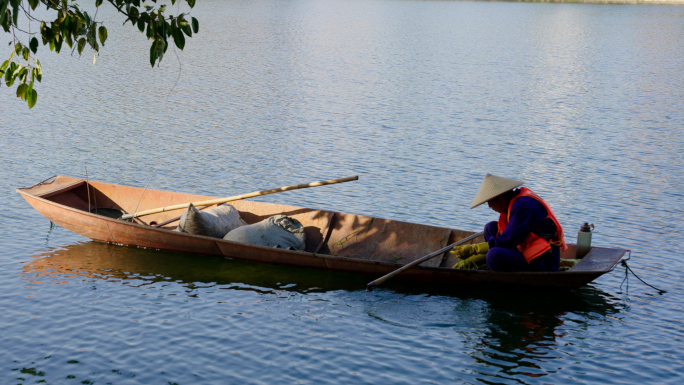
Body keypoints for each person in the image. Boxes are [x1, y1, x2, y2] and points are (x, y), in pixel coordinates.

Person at [461, 174, 567, 272]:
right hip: (525, 249)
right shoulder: (516, 201)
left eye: (489, 201)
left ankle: (501, 274)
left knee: (493, 255)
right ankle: (496, 263)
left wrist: (477, 250)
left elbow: (509, 240)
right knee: (490, 228)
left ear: (500, 197)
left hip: (542, 262)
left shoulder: (523, 206)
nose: (489, 206)